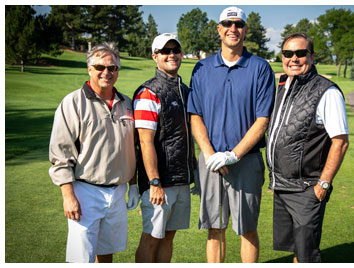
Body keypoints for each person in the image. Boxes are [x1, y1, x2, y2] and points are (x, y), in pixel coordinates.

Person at [187, 7, 275, 263]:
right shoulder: (202, 68)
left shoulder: (260, 68)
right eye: (227, 23)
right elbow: (195, 116)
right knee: (214, 229)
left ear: (246, 29)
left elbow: (262, 121)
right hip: (210, 162)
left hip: (245, 161)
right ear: (219, 29)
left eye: (238, 24)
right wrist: (210, 154)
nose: (233, 29)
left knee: (247, 228)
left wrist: (233, 155)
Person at [48, 42, 139, 263]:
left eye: (112, 68)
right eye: (100, 67)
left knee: (107, 254)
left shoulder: (127, 103)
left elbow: (133, 148)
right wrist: (68, 196)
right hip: (85, 191)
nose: (106, 72)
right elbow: (61, 153)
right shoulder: (73, 102)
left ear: (118, 70)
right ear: (89, 68)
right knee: (82, 258)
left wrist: (134, 185)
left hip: (117, 192)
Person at [266, 33, 350, 263]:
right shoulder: (283, 85)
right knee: (296, 249)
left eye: (300, 53)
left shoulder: (327, 91)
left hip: (307, 188)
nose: (294, 58)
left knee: (307, 255)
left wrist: (323, 184)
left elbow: (340, 141)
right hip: (283, 185)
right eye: (288, 53)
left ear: (311, 57)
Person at [133, 33, 194, 263]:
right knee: (151, 237)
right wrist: (154, 182)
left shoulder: (185, 90)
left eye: (175, 50)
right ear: (154, 56)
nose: (172, 55)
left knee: (168, 236)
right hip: (160, 184)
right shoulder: (148, 93)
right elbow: (145, 142)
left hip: (180, 180)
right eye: (165, 51)